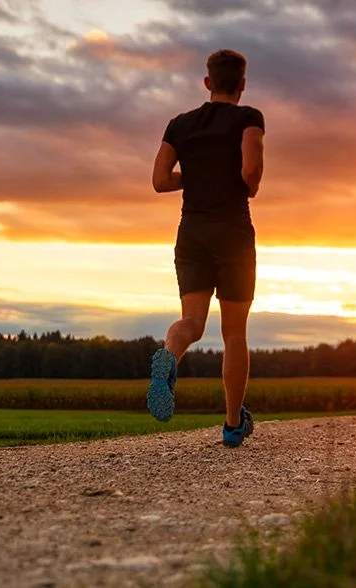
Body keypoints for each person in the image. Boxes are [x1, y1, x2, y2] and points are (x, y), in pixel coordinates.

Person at [146, 49, 265, 448]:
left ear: (208, 82)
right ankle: (233, 425)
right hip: (233, 232)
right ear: (242, 84)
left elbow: (160, 180)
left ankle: (169, 355)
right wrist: (245, 182)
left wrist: (195, 176)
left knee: (192, 324)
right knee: (234, 334)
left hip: (192, 233)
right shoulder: (249, 118)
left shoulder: (180, 125)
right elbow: (251, 170)